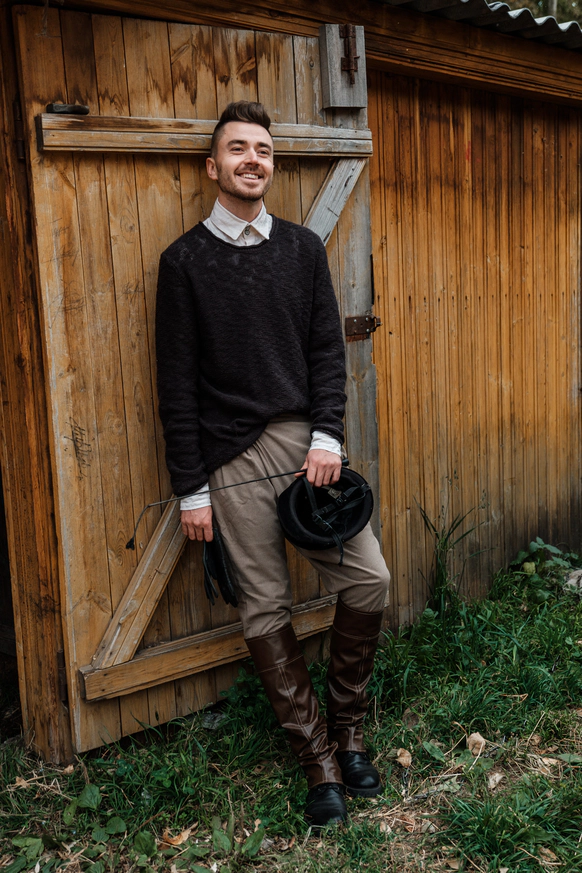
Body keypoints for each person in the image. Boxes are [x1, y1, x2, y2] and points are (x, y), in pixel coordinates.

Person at [156, 101, 390, 828]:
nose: (251, 159)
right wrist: (191, 490)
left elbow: (326, 352)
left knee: (370, 578)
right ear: (213, 167)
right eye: (237, 149)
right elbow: (176, 385)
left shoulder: (302, 249)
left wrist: (327, 437)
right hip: (229, 457)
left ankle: (349, 731)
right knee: (263, 604)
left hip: (301, 443)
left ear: (272, 165)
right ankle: (319, 761)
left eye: (261, 149)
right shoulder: (183, 262)